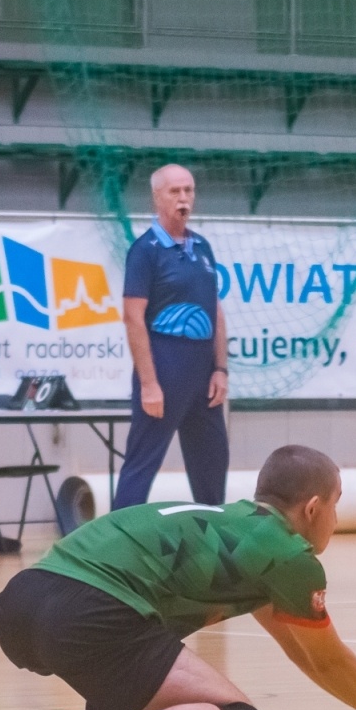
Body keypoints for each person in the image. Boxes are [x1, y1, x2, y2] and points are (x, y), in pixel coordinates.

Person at [0, 445, 356, 710]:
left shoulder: (238, 529)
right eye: (336, 505)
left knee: (146, 702)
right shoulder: (290, 558)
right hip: (91, 614)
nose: (336, 519)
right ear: (313, 508)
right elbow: (327, 657)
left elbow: (299, 648)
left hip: (21, 605)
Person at [113, 164, 230, 509]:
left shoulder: (203, 247)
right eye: (174, 191)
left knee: (212, 461)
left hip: (203, 374)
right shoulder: (145, 250)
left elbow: (216, 310)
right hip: (165, 368)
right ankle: (116, 546)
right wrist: (149, 383)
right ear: (157, 197)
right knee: (142, 463)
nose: (183, 198)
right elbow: (133, 318)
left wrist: (221, 369)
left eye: (188, 190)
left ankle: (211, 539)